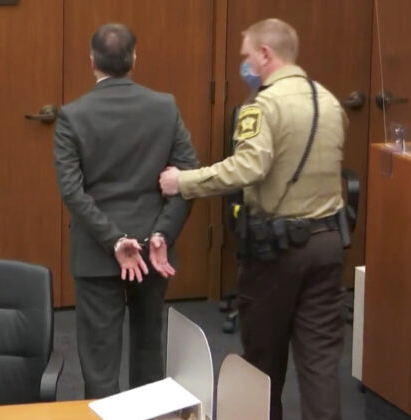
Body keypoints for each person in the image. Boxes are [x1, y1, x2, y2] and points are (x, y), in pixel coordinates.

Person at [159, 18, 348, 420]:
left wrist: (184, 181)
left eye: (246, 56)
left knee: (263, 359)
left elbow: (247, 168)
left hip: (277, 251)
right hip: (328, 243)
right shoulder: (328, 101)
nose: (243, 65)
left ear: (266, 54)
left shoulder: (263, 105)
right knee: (320, 361)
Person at [54, 23, 199, 398]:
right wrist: (161, 234)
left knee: (100, 364)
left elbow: (72, 190)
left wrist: (114, 239)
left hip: (97, 255)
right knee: (149, 351)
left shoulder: (73, 115)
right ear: (135, 58)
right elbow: (187, 179)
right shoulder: (165, 107)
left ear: (91, 62)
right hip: (154, 254)